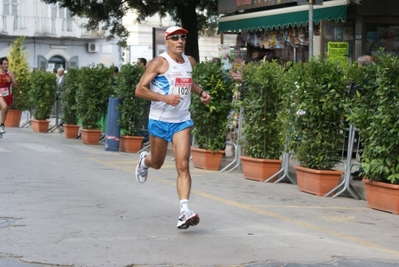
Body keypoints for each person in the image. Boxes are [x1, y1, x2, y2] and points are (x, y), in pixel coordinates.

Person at [135, 26, 211, 230]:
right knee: (157, 162)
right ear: (167, 41)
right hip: (159, 120)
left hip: (182, 121)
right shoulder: (159, 62)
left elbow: (187, 82)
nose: (180, 41)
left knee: (183, 165)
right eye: (175, 38)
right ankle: (145, 160)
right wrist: (164, 98)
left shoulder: (190, 61)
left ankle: (184, 210)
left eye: (183, 38)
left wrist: (201, 92)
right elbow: (139, 90)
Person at [350, 55, 373, 180]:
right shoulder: (370, 78)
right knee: (361, 144)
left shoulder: (364, 79)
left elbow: (353, 94)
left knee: (363, 144)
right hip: (362, 115)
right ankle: (362, 168)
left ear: (361, 65)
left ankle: (364, 169)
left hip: (363, 115)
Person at [0, 57, 18, 134]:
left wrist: (10, 81)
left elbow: (16, 86)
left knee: (5, 112)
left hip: (8, 95)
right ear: (0, 65)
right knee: (4, 106)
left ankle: (2, 125)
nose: (6, 65)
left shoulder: (10, 73)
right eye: (5, 64)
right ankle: (1, 125)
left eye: (7, 64)